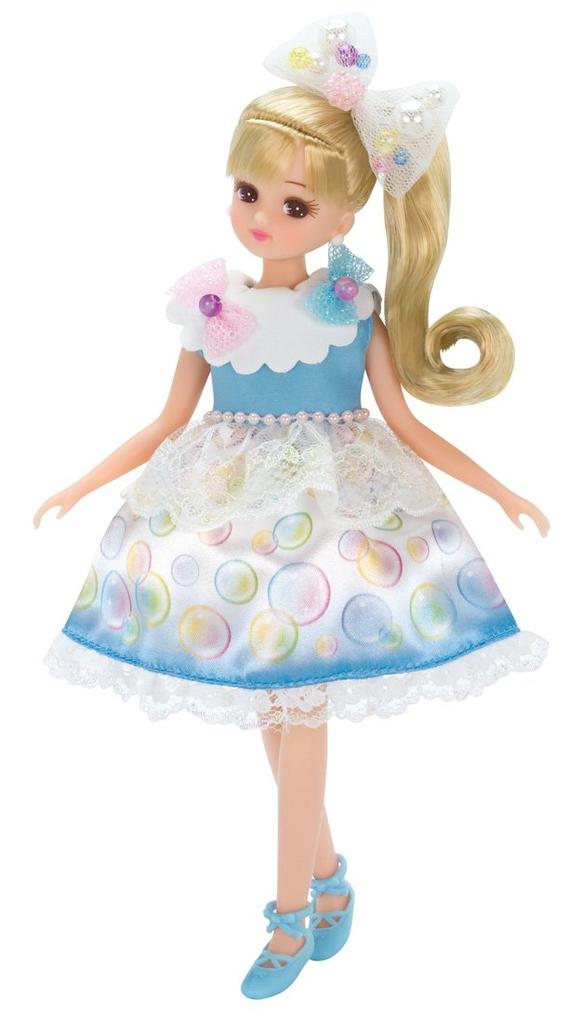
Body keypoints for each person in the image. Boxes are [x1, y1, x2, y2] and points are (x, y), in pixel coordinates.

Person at [34, 11, 549, 1000]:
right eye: (247, 192)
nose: (262, 216)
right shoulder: (210, 306)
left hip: (337, 526)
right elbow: (164, 423)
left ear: (344, 219)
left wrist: (498, 488)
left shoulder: (349, 313)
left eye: (293, 203)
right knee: (273, 712)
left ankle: (290, 915)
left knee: (298, 708)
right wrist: (78, 483)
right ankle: (327, 875)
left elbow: (404, 425)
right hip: (231, 527)